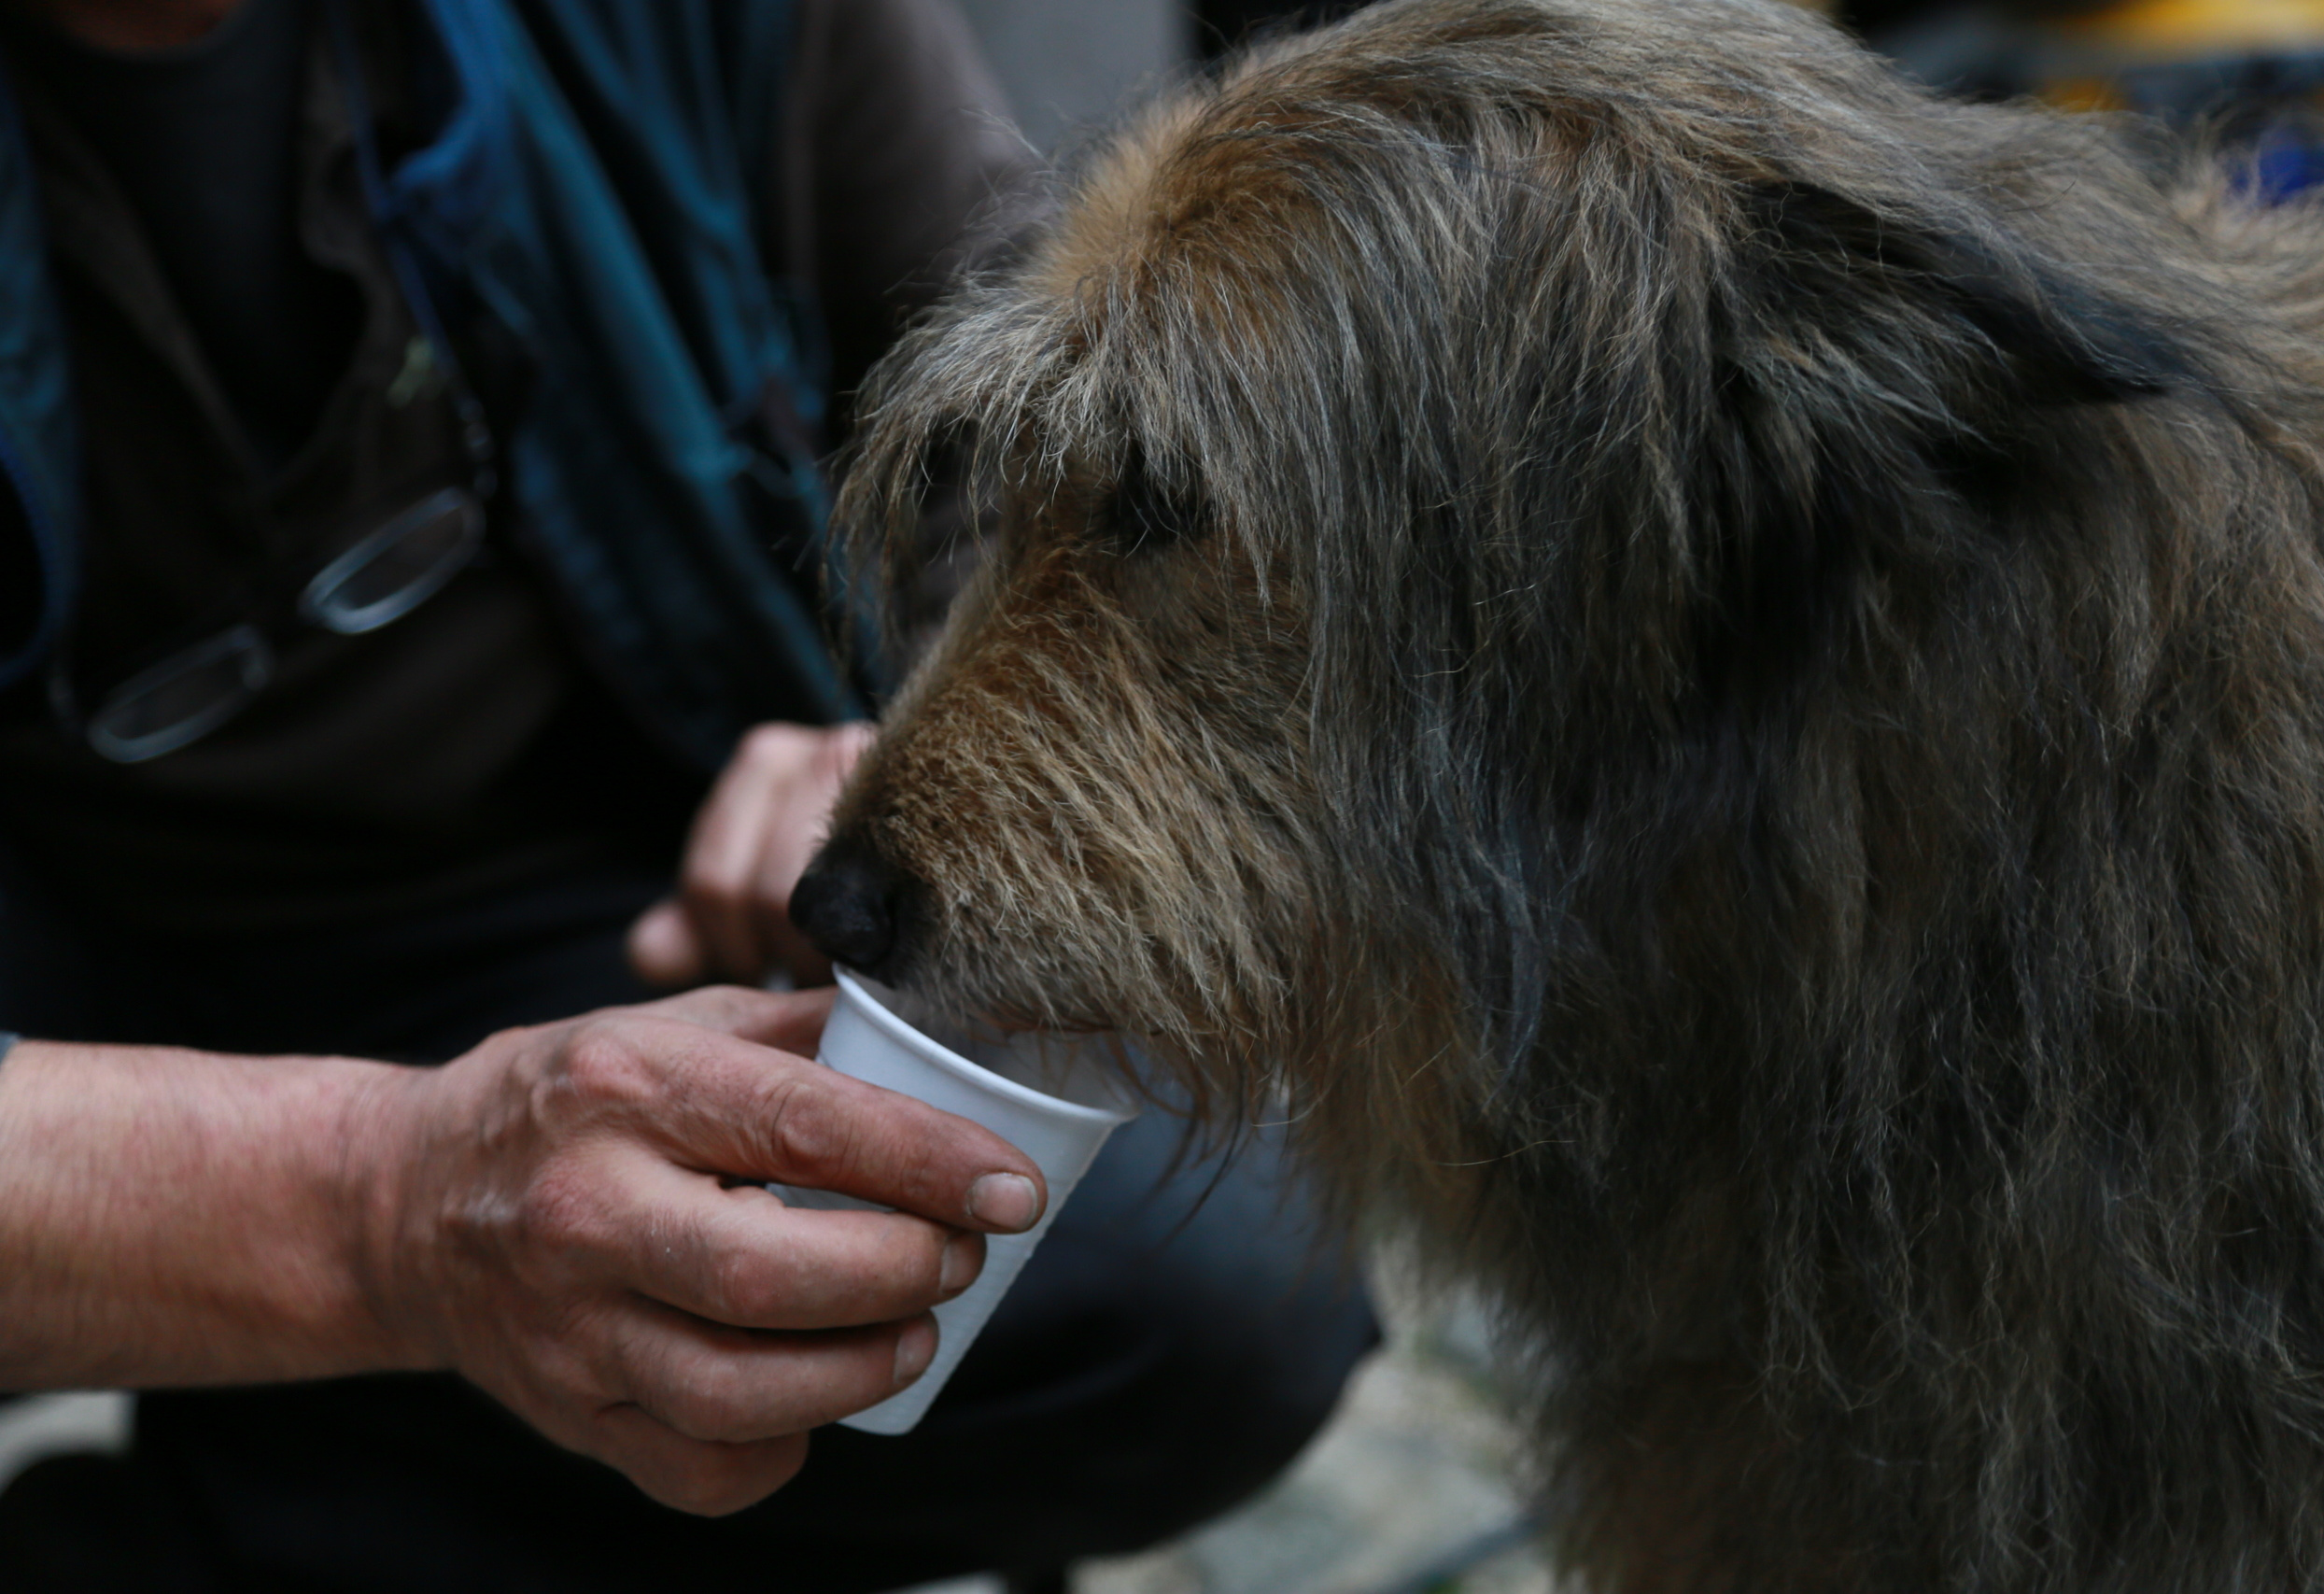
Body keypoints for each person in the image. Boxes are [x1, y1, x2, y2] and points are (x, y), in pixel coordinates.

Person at [0, 1, 1376, 1588]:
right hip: (73, 968)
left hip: (634, 897)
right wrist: (384, 1212)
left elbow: (1018, 421)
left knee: (1220, 1288)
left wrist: (902, 735)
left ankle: (225, 1501)